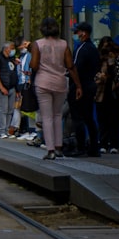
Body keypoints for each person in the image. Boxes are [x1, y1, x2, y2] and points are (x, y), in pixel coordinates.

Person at [29, 17, 81, 160]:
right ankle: (59, 147)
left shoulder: (37, 44)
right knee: (57, 115)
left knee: (46, 117)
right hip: (60, 82)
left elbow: (33, 65)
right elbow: (70, 66)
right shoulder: (64, 44)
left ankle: (50, 149)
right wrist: (78, 85)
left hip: (43, 83)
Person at [68, 21, 100, 157]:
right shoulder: (93, 48)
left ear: (84, 33)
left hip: (80, 86)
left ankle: (80, 146)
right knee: (88, 117)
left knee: (77, 117)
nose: (76, 34)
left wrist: (76, 85)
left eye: (78, 32)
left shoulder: (82, 48)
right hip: (90, 85)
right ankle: (94, 147)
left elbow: (74, 68)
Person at [95, 36, 119, 154]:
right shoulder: (98, 59)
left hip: (113, 92)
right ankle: (103, 143)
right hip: (101, 92)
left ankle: (114, 143)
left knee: (114, 119)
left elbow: (117, 76)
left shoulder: (116, 60)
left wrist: (111, 62)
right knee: (102, 120)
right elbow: (95, 75)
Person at [0, 41, 19, 139]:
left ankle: (7, 130)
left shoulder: (11, 59)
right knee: (3, 109)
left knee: (10, 110)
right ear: (6, 49)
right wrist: (1, 87)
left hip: (11, 88)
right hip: (2, 88)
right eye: (11, 48)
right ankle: (1, 130)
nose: (13, 50)